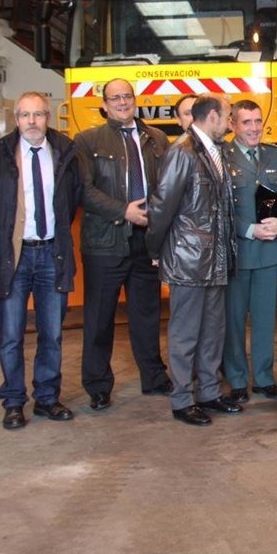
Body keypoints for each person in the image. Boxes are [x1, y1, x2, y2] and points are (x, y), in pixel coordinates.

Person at [0, 91, 82, 430]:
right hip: (13, 257)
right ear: (16, 119)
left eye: (38, 115)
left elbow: (73, 198)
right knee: (11, 334)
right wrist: (8, 232)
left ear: (48, 118)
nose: (32, 122)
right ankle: (14, 402)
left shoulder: (65, 154)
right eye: (25, 115)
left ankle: (47, 398)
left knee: (52, 333)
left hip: (53, 254)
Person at [75, 78, 172, 411]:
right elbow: (84, 191)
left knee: (146, 315)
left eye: (126, 96)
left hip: (146, 241)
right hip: (105, 242)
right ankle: (98, 386)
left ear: (135, 100)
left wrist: (157, 220)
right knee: (99, 318)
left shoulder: (157, 139)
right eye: (114, 98)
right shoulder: (87, 141)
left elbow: (167, 186)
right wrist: (125, 211)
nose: (121, 102)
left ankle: (154, 378)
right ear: (104, 105)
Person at [146, 93, 241, 426]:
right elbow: (161, 207)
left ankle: (210, 393)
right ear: (212, 116)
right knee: (186, 333)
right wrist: (156, 250)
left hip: (215, 258)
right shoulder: (182, 153)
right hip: (188, 259)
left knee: (213, 330)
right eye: (228, 117)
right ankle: (183, 399)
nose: (231, 124)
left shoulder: (216, 151)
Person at [222, 100, 277, 403]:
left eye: (257, 121)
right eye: (246, 122)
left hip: (269, 252)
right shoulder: (222, 156)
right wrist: (248, 229)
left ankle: (265, 379)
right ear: (232, 125)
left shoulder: (276, 154)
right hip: (238, 251)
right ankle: (238, 380)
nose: (254, 128)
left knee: (267, 319)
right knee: (235, 320)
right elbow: (220, 209)